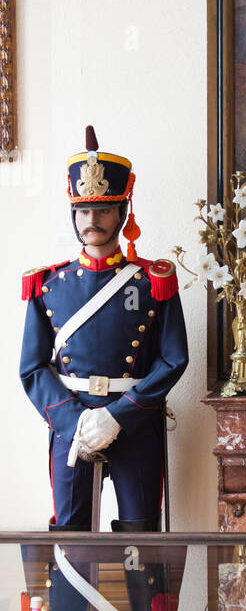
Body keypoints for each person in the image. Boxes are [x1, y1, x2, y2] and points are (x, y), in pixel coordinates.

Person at [20, 125, 188, 542]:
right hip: (71, 425)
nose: (91, 220)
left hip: (134, 422)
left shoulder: (153, 280)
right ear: (73, 214)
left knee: (142, 538)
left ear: (122, 213)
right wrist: (72, 419)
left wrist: (118, 416)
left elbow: (173, 359)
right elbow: (32, 368)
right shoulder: (48, 285)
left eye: (103, 210)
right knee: (70, 538)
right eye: (83, 211)